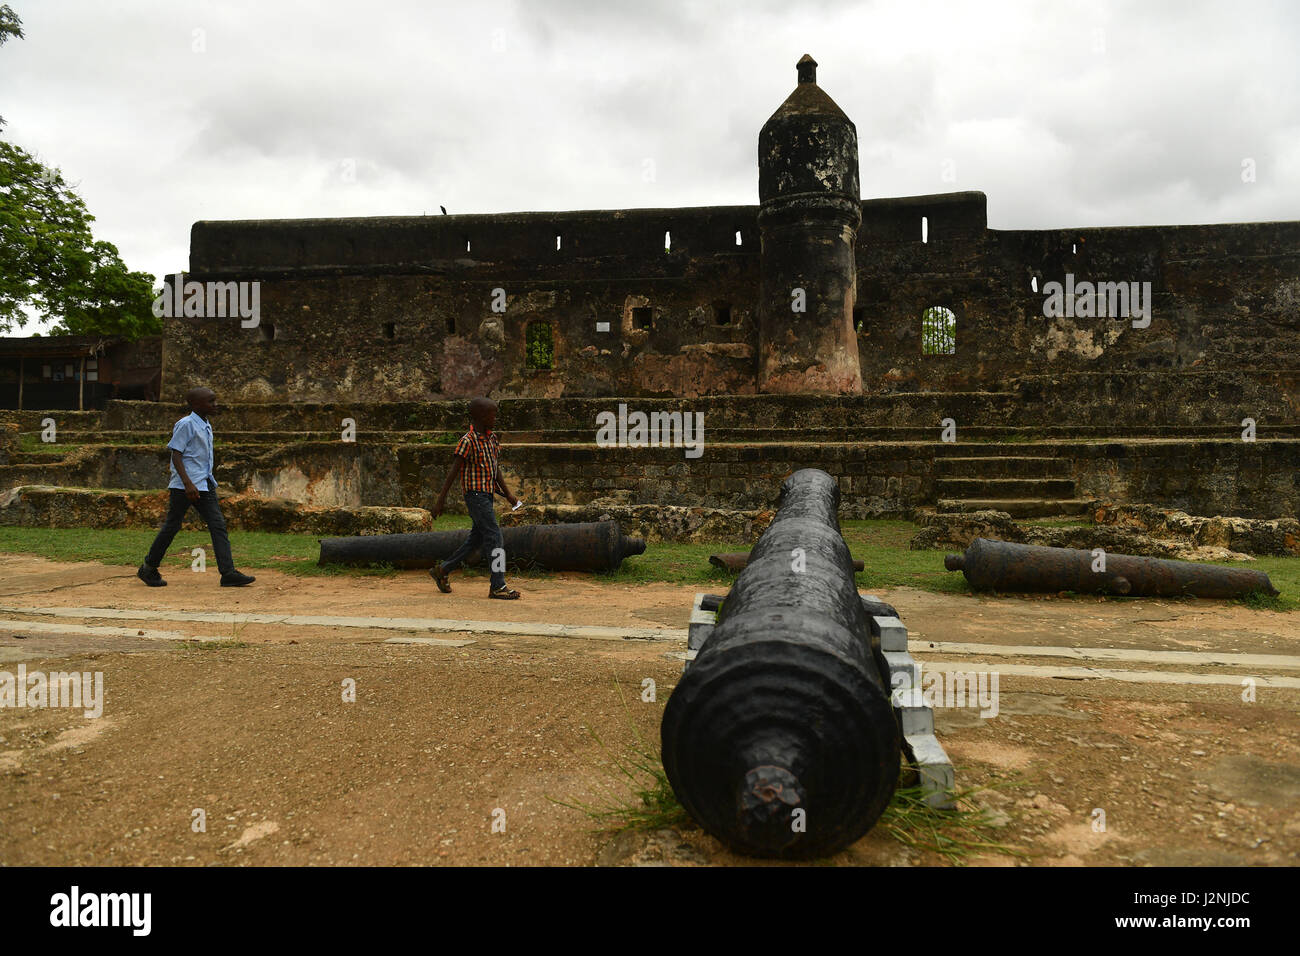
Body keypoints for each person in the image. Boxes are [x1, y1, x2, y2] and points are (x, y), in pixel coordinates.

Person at [137, 387, 255, 588]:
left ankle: (228, 573)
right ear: (196, 405)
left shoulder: (206, 425)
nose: (215, 405)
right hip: (186, 486)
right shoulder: (186, 424)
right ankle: (149, 568)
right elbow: (176, 454)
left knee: (217, 525)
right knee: (172, 526)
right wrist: (187, 484)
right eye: (211, 401)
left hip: (204, 483)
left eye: (214, 400)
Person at [430, 397, 521, 599]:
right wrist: (440, 500)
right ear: (480, 416)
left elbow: (494, 469)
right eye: (492, 414)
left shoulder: (492, 439)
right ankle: (498, 585)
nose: (495, 417)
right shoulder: (467, 441)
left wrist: (507, 494)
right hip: (475, 496)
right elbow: (453, 472)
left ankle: (443, 569)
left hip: (486, 495)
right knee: (495, 536)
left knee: (477, 539)